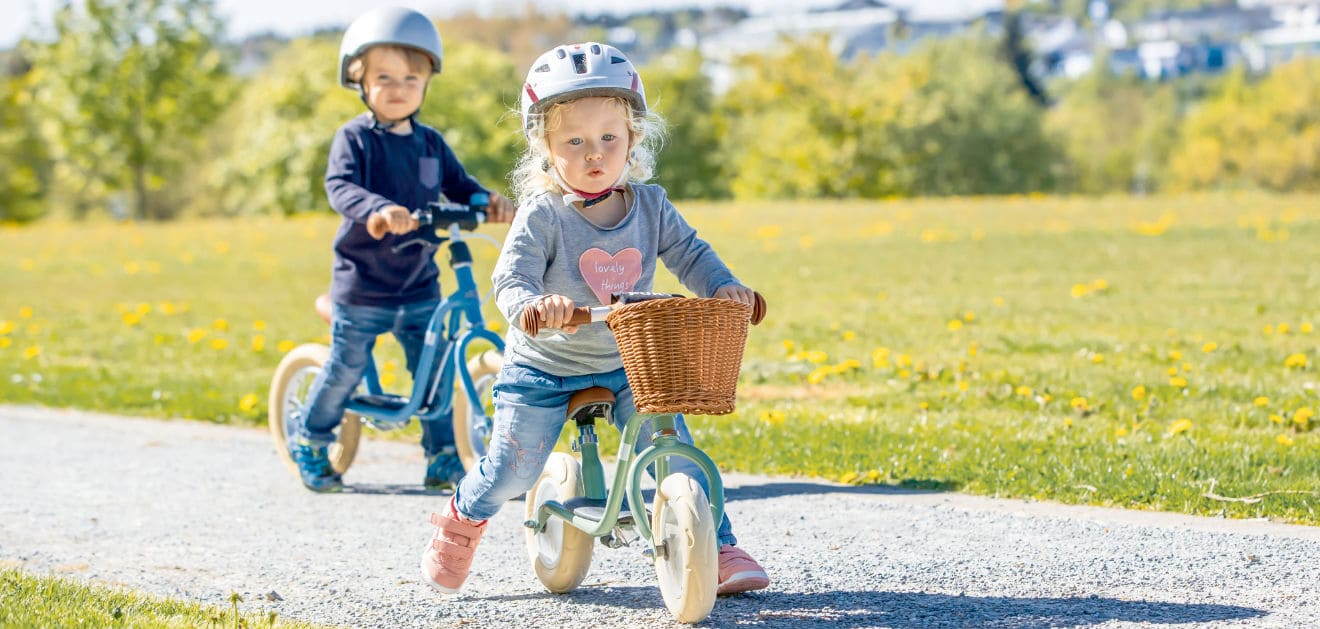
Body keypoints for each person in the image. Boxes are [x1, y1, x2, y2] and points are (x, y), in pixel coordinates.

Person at [418, 42, 770, 597]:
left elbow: (692, 255)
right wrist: (535, 308)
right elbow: (511, 280)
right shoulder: (544, 214)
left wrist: (724, 288)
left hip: (631, 361)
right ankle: (463, 514)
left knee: (675, 445)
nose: (594, 154)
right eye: (574, 141)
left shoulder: (651, 205)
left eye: (609, 137)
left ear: (633, 138)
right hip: (543, 366)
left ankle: (718, 545)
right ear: (545, 147)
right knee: (515, 468)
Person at [289, 6, 514, 493]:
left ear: (427, 81)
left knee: (432, 369)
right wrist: (376, 210)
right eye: (384, 77)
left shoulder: (431, 143)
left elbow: (460, 187)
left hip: (418, 283)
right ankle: (310, 438)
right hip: (363, 284)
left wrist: (487, 203)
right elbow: (340, 186)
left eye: (411, 77)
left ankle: (442, 456)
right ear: (359, 80)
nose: (398, 88)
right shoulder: (354, 140)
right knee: (346, 367)